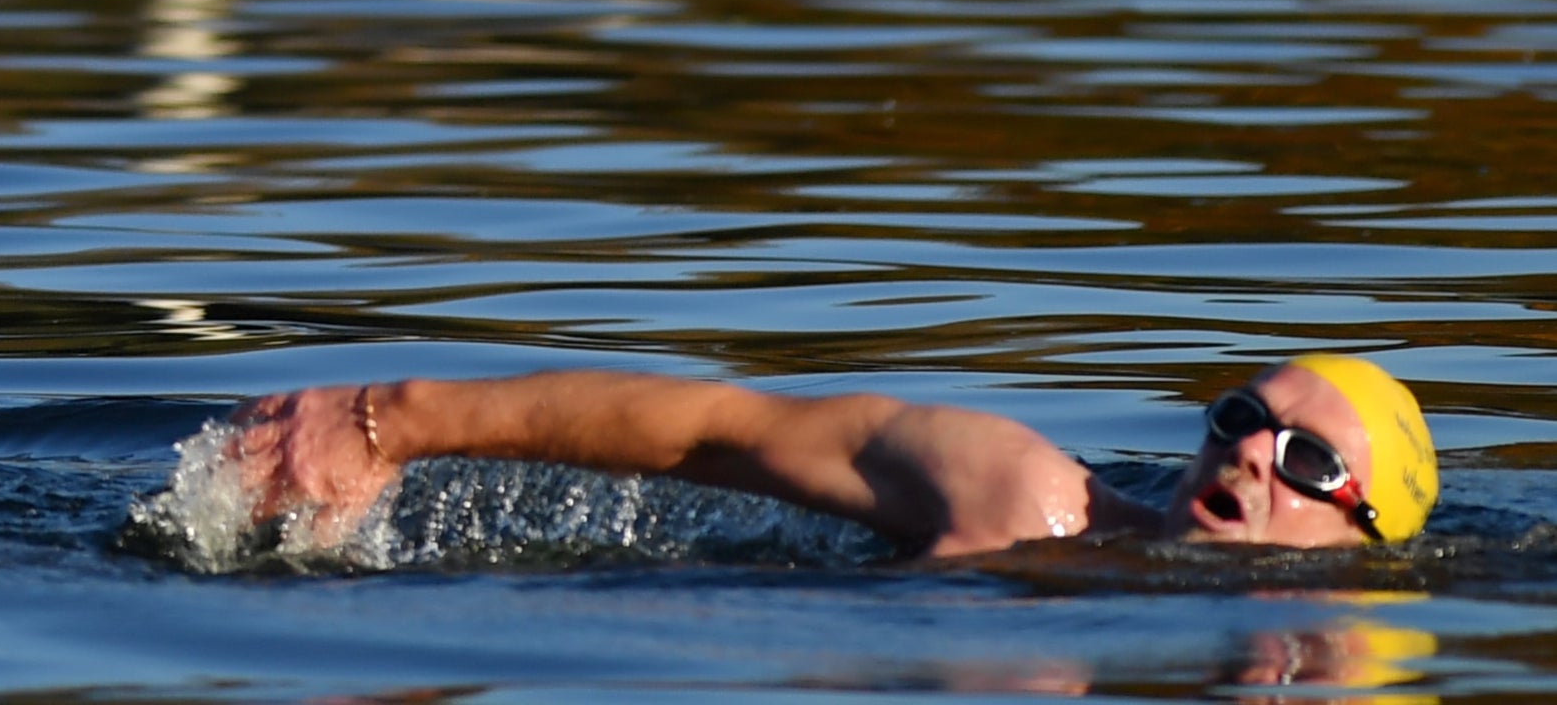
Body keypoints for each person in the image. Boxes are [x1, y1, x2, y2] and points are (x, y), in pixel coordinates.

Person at [221, 352, 1435, 558]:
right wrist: (396, 415)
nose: (1254, 456)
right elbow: (719, 429)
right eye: (1238, 417)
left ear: (1366, 538)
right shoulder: (1014, 487)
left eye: (1312, 464)